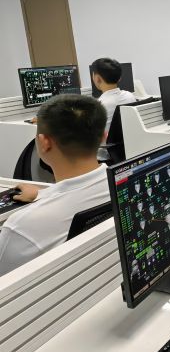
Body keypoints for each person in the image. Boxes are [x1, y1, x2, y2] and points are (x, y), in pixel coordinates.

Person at [0, 94, 110, 276]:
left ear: (44, 143)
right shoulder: (121, 182)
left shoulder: (21, 227)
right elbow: (79, 195)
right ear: (103, 137)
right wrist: (43, 194)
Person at [90, 57, 136, 132]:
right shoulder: (130, 96)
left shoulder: (98, 106)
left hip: (105, 140)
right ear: (119, 78)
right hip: (127, 139)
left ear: (97, 78)